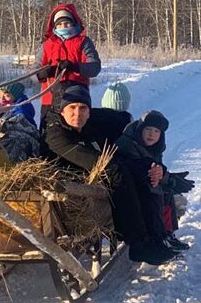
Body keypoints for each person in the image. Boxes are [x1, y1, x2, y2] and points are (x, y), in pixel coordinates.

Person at [41, 85, 177, 265]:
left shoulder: (88, 125)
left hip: (89, 177)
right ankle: (138, 241)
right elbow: (98, 162)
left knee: (143, 170)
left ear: (89, 112)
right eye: (72, 108)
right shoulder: (55, 134)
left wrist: (150, 166)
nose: (77, 113)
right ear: (62, 111)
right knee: (119, 173)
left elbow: (110, 125)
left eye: (83, 108)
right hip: (69, 186)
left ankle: (156, 235)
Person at [115, 110, 194, 251]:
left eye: (156, 131)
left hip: (144, 181)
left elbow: (155, 166)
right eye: (148, 129)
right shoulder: (128, 144)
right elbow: (137, 168)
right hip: (129, 186)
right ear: (140, 129)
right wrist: (161, 177)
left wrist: (166, 177)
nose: (152, 134)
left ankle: (168, 234)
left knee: (167, 193)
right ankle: (158, 237)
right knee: (157, 193)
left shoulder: (154, 147)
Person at [35, 4, 101, 128]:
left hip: (76, 100)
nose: (63, 27)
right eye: (59, 24)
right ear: (54, 26)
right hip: (50, 99)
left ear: (74, 23)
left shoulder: (84, 42)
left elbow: (94, 67)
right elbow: (33, 71)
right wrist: (42, 73)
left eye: (66, 23)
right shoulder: (47, 45)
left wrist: (75, 66)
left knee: (78, 134)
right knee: (48, 136)